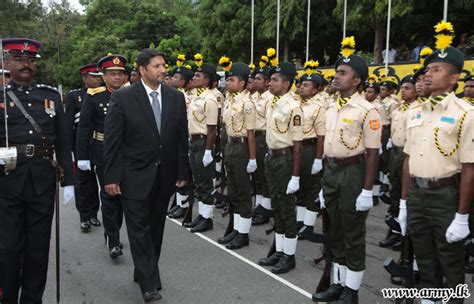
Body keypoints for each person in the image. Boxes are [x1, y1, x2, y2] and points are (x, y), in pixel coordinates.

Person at [103, 48, 189, 303]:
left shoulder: (175, 97)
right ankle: (149, 284)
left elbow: (180, 139)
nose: (163, 70)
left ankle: (144, 271)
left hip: (164, 176)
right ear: (142, 70)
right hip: (133, 176)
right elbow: (112, 141)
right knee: (138, 230)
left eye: (164, 65)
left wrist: (183, 172)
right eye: (157, 66)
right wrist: (111, 177)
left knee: (155, 229)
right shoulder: (123, 97)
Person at [399, 25, 474, 304]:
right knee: (424, 257)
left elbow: (470, 167)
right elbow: (408, 159)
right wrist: (404, 202)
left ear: (454, 78)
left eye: (437, 69)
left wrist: (462, 216)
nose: (428, 73)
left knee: (451, 261)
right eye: (427, 69)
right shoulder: (415, 112)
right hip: (417, 194)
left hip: (445, 195)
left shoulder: (465, 114)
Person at [0, 38, 74, 303]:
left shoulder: (51, 96)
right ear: (6, 62)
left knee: (38, 249)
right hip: (6, 182)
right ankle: (7, 297)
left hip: (42, 182)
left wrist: (70, 181)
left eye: (30, 60)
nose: (25, 64)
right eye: (19, 59)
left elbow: (64, 141)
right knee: (8, 248)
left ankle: (32, 299)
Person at [312, 37, 381, 303]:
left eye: (343, 73)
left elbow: (373, 153)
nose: (336, 76)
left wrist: (367, 190)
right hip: (331, 172)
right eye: (337, 71)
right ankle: (338, 284)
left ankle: (352, 291)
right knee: (335, 231)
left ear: (357, 81)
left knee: (353, 232)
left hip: (353, 173)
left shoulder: (368, 110)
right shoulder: (331, 108)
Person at [76, 53, 127, 259]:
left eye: (120, 74)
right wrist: (82, 156)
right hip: (102, 148)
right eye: (112, 74)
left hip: (126, 151)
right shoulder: (94, 95)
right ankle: (113, 240)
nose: (116, 77)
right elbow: (84, 128)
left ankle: (112, 230)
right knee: (108, 195)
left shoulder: (130, 94)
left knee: (123, 197)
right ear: (103, 76)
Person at [257, 61, 303, 274]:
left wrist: (295, 175)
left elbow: (298, 144)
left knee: (286, 208)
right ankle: (279, 250)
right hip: (271, 158)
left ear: (286, 83)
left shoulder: (293, 106)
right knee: (276, 205)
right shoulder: (274, 102)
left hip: (285, 159)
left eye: (275, 80)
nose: (270, 83)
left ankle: (289, 256)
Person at [216, 62, 256, 249]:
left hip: (241, 149)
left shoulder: (247, 103)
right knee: (233, 191)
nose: (228, 83)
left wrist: (253, 158)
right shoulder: (230, 100)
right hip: (230, 147)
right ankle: (235, 229)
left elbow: (250, 133)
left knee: (242, 192)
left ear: (242, 83)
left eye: (232, 80)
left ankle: (243, 234)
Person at [380, 75, 417, 250]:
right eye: (403, 87)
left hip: (408, 154)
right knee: (394, 190)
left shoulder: (419, 109)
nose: (404, 90)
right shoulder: (398, 108)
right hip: (395, 152)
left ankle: (405, 235)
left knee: (406, 192)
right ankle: (394, 230)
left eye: (408, 88)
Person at [64, 63, 102, 232]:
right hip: (81, 145)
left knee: (96, 181)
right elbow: (68, 124)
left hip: (99, 144)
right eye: (93, 76)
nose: (97, 79)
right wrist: (70, 149)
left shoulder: (103, 94)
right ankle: (84, 216)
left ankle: (94, 213)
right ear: (84, 78)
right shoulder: (75, 96)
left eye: (98, 76)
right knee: (82, 181)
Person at [184, 60, 219, 232]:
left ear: (207, 80)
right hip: (194, 140)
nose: (194, 77)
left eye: (198, 76)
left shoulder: (210, 100)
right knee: (198, 180)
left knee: (205, 182)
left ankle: (208, 218)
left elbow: (212, 129)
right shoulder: (198, 96)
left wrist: (208, 151)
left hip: (204, 142)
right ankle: (202, 215)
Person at [295, 70, 326, 239]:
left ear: (315, 90)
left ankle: (308, 225)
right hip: (297, 147)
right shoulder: (297, 104)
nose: (301, 88)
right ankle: (300, 222)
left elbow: (321, 135)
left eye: (306, 85)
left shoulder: (319, 107)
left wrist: (318, 159)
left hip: (310, 148)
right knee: (300, 186)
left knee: (311, 187)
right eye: (301, 85)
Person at [250, 63, 273, 226]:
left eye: (258, 79)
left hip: (264, 139)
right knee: (257, 175)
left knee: (264, 176)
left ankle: (266, 209)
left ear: (266, 82)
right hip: (254, 138)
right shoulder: (254, 97)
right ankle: (259, 206)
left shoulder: (270, 99)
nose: (255, 81)